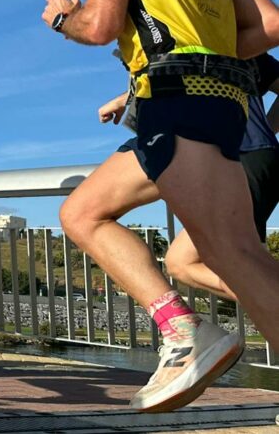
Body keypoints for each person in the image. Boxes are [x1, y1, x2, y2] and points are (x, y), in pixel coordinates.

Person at [43, 0, 279, 412]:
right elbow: (271, 24)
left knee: (234, 253)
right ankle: (182, 328)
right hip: (220, 104)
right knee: (82, 213)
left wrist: (63, 18)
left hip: (176, 102)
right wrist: (212, 57)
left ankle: (192, 335)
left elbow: (99, 26)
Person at [84, 53, 279, 299]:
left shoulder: (193, 36)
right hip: (244, 155)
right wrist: (266, 132)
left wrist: (261, 134)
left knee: (214, 265)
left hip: (236, 155)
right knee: (186, 263)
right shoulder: (232, 41)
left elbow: (188, 71)